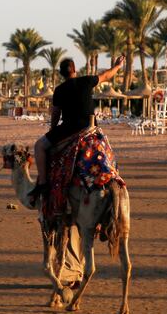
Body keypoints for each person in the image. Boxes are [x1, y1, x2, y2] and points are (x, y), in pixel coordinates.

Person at [29, 56, 125, 204]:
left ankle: (42, 183)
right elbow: (107, 75)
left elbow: (55, 115)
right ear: (74, 70)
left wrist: (52, 131)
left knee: (39, 146)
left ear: (62, 73)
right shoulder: (86, 81)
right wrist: (118, 66)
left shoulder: (60, 90)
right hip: (91, 127)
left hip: (70, 130)